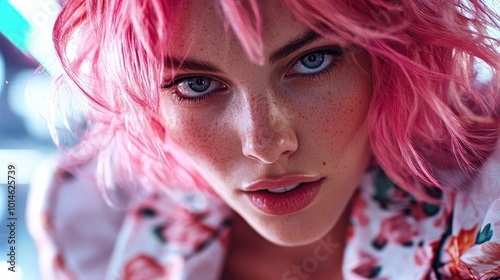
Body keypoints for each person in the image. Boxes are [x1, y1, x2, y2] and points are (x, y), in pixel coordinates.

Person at [27, 0, 500, 279]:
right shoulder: (90, 216)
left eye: (313, 61)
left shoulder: (488, 206)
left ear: (391, 57)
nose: (266, 144)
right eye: (196, 84)